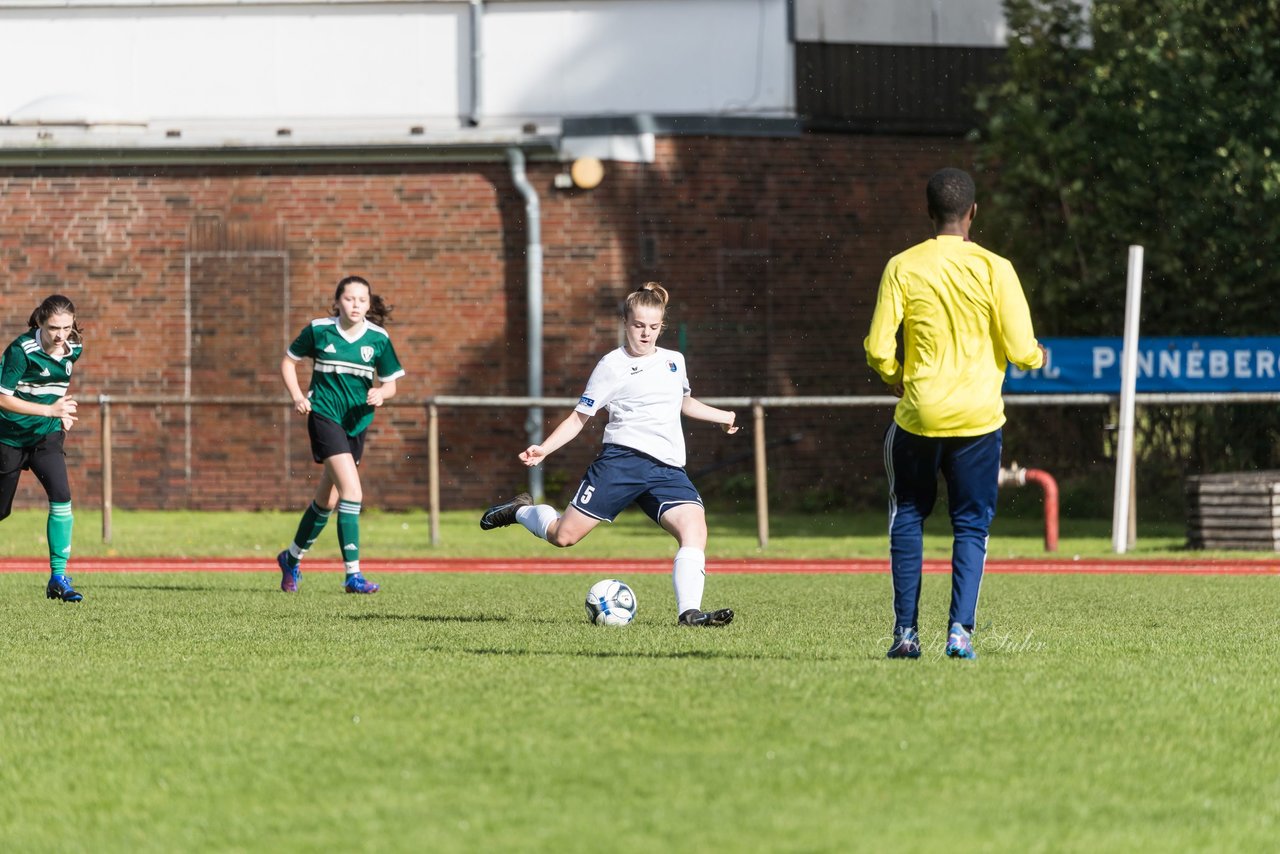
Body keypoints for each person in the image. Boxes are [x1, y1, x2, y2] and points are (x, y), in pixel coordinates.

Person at [864, 168, 1045, 660]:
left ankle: (905, 633)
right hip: (979, 422)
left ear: (929, 213)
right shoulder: (996, 268)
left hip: (918, 416)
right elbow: (1021, 346)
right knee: (971, 525)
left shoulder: (903, 265)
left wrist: (893, 373)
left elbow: (879, 347)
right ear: (973, 213)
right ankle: (960, 632)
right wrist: (1037, 357)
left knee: (908, 515)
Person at [480, 282, 739, 627]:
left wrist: (721, 417)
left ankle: (689, 613)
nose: (646, 334)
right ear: (625, 323)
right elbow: (578, 418)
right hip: (621, 464)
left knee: (695, 530)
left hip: (667, 469)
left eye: (653, 327)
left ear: (662, 326)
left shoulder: (674, 361)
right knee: (563, 536)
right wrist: (544, 448)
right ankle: (520, 510)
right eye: (638, 326)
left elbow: (681, 401)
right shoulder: (611, 366)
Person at [276, 275, 404, 594]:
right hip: (324, 416)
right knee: (352, 492)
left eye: (362, 300)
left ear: (369, 304)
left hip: (356, 425)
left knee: (328, 499)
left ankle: (290, 558)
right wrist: (297, 397)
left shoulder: (378, 338)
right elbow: (288, 363)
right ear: (338, 302)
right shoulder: (319, 330)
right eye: (349, 299)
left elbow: (391, 383)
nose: (356, 305)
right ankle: (353, 576)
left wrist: (381, 394)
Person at [0, 295, 84, 602]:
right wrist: (49, 410)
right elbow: (2, 398)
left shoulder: (74, 347)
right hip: (8, 436)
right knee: (1, 510)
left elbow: (55, 386)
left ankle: (58, 578)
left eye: (66, 327)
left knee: (61, 496)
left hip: (45, 437)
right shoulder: (21, 351)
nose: (60, 334)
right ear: (40, 323)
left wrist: (60, 413)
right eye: (53, 328)